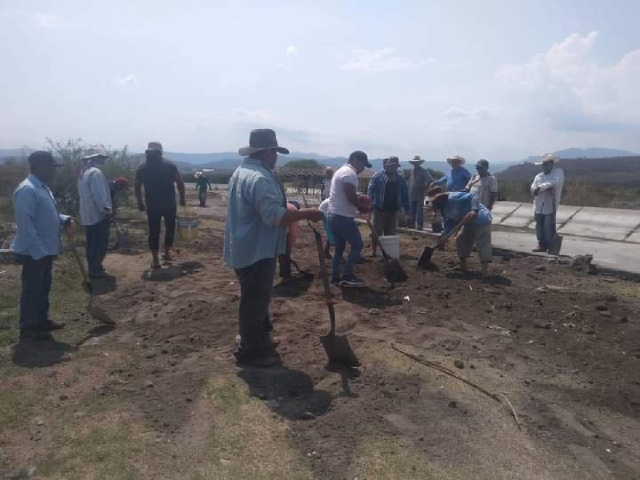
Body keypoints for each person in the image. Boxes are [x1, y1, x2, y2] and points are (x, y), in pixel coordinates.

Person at [224, 129, 323, 368]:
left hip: (246, 246)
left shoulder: (242, 172)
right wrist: (308, 213)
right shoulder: (259, 178)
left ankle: (261, 336)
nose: (276, 157)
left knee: (257, 297)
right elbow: (275, 216)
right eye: (275, 152)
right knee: (254, 300)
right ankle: (249, 350)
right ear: (267, 152)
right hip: (257, 248)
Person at [11, 151, 75, 341]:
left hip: (46, 249)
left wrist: (65, 219)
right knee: (32, 290)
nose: (54, 172)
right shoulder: (27, 190)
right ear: (41, 167)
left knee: (43, 287)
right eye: (51, 168)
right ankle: (29, 327)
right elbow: (25, 224)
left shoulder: (42, 188)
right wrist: (39, 251)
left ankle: (41, 320)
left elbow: (47, 215)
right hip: (34, 251)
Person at [135, 142, 186, 269]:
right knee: (170, 228)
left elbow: (137, 186)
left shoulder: (142, 167)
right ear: (161, 151)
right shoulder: (169, 165)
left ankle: (155, 260)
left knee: (154, 231)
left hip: (152, 205)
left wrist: (140, 202)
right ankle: (167, 253)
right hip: (169, 204)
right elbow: (179, 182)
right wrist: (182, 198)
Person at [328, 150, 372, 286]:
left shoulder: (341, 171)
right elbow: (349, 194)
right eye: (362, 164)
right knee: (357, 244)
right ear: (354, 160)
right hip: (343, 217)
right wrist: (362, 207)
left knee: (340, 247)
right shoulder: (349, 173)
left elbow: (347, 193)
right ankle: (347, 275)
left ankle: (335, 277)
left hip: (333, 215)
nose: (363, 169)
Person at [429, 186, 493, 276]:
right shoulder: (444, 209)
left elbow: (473, 196)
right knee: (461, 240)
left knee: (482, 244)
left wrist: (474, 210)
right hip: (468, 223)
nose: (435, 203)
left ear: (441, 198)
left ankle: (484, 270)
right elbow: (449, 222)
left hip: (481, 219)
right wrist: (444, 235)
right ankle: (463, 266)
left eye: (436, 201)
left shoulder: (455, 197)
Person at [77, 148, 112, 279]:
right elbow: (100, 196)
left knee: (91, 243)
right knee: (99, 244)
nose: (103, 160)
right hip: (98, 216)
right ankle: (95, 269)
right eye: (101, 157)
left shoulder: (83, 172)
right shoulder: (95, 173)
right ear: (95, 158)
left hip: (87, 215)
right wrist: (106, 210)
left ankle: (94, 266)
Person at [367, 156, 410, 256]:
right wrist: (370, 205)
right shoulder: (378, 176)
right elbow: (370, 190)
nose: (393, 168)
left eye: (395, 166)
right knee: (377, 231)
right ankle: (373, 251)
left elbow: (404, 194)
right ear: (386, 166)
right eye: (391, 166)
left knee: (390, 232)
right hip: (379, 208)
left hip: (393, 209)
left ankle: (388, 252)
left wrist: (407, 209)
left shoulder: (400, 178)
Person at [530, 153, 565, 253]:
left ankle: (551, 246)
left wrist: (541, 188)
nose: (544, 166)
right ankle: (541, 244)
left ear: (551, 163)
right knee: (539, 226)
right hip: (538, 204)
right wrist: (540, 189)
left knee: (548, 226)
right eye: (543, 164)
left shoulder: (558, 172)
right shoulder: (539, 176)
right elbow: (533, 187)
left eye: (546, 164)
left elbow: (554, 182)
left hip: (551, 205)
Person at [408, 155, 432, 230]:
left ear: (419, 163)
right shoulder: (412, 171)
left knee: (419, 209)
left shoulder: (423, 171)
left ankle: (419, 224)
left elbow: (429, 180)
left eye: (417, 162)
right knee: (412, 209)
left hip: (420, 192)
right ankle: (411, 223)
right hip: (412, 192)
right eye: (414, 163)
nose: (415, 164)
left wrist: (425, 188)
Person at [278, 200, 301, 279]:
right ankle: (285, 273)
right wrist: (289, 249)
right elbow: (293, 233)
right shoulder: (294, 212)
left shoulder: (284, 203)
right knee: (284, 252)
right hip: (282, 231)